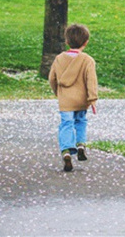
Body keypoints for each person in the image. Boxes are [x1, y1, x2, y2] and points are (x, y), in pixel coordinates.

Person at [48, 23, 98, 172]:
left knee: (66, 124)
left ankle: (66, 151)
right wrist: (92, 99)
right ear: (86, 42)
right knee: (81, 121)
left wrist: (58, 93)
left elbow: (52, 78)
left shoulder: (59, 59)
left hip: (66, 100)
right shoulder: (87, 60)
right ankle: (81, 144)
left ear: (67, 41)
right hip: (81, 100)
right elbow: (91, 81)